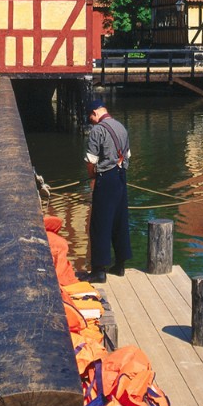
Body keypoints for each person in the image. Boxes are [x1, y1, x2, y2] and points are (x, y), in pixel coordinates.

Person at [83, 98, 131, 283]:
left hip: (106, 177)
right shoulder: (121, 126)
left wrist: (93, 178)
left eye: (91, 117)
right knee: (120, 220)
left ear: (95, 113)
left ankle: (99, 270)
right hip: (121, 176)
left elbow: (91, 160)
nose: (91, 121)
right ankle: (120, 264)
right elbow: (127, 156)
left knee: (99, 224)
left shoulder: (98, 130)